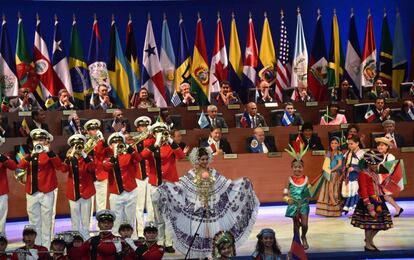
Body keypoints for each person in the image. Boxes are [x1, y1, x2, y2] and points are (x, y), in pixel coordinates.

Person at [153, 147, 259, 258]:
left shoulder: (213, 172)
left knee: (214, 234)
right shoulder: (191, 174)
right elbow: (181, 187)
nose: (204, 162)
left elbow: (227, 185)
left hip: (213, 210)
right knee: (197, 234)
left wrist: (242, 183)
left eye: (206, 159)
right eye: (202, 159)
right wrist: (166, 187)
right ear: (196, 160)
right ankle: (199, 257)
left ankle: (214, 255)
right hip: (197, 211)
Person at [140, 122, 187, 253]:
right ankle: (160, 241)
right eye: (158, 131)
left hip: (170, 184)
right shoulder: (150, 145)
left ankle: (169, 242)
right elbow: (142, 156)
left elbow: (181, 156)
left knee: (170, 215)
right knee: (158, 216)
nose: (161, 133)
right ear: (154, 133)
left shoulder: (171, 146)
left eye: (163, 131)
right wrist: (156, 143)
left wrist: (171, 140)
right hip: (155, 184)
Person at [16, 129, 62, 248]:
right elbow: (19, 168)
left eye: (41, 139)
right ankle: (35, 247)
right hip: (32, 192)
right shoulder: (29, 156)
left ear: (46, 141)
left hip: (47, 191)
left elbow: (60, 167)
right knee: (33, 221)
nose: (38, 142)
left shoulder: (50, 155)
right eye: (36, 139)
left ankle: (46, 248)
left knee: (47, 221)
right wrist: (31, 156)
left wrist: (50, 152)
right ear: (32, 142)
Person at [350, 150, 393, 251]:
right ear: (368, 164)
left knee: (381, 224)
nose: (376, 166)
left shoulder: (374, 173)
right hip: (369, 200)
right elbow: (363, 190)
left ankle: (369, 240)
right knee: (369, 225)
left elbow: (377, 186)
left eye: (377, 164)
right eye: (374, 164)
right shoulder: (363, 174)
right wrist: (368, 204)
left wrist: (385, 181)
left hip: (378, 199)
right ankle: (368, 244)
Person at [103, 132, 141, 234]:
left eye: (119, 142)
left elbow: (139, 159)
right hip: (116, 193)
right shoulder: (107, 158)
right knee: (116, 220)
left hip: (130, 191)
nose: (117, 144)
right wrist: (115, 154)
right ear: (110, 145)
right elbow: (107, 167)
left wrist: (130, 149)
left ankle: (132, 240)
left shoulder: (129, 155)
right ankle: (117, 242)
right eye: (114, 142)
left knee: (130, 220)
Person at [61, 134, 96, 240]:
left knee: (86, 220)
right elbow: (63, 169)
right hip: (73, 193)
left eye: (79, 145)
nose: (77, 148)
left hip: (86, 192)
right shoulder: (69, 158)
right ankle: (75, 239)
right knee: (75, 219)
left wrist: (84, 155)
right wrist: (69, 156)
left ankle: (86, 239)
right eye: (75, 146)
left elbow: (92, 168)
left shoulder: (88, 157)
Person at [283, 144, 312, 250]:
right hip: (294, 204)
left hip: (304, 204)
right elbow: (285, 192)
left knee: (304, 225)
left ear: (303, 168)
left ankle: (303, 236)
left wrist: (311, 192)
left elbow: (310, 192)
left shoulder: (306, 178)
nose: (297, 169)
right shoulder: (289, 179)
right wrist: (287, 199)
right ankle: (296, 242)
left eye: (299, 167)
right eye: (295, 167)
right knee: (295, 226)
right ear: (292, 168)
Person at [131, 116, 155, 239]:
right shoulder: (134, 142)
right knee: (139, 206)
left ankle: (150, 230)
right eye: (141, 126)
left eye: (146, 126)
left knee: (151, 205)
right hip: (138, 175)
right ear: (137, 128)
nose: (144, 128)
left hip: (150, 175)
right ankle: (140, 232)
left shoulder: (152, 140)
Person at [84, 119, 109, 213]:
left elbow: (109, 153)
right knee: (88, 206)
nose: (95, 131)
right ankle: (88, 226)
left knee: (101, 204)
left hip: (101, 175)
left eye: (96, 129)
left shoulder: (101, 142)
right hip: (88, 177)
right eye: (92, 129)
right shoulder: (84, 142)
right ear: (87, 131)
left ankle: (101, 226)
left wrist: (103, 140)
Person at [375, 137, 404, 217]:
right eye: (378, 145)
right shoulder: (377, 156)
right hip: (378, 178)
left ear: (387, 146)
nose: (379, 147)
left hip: (385, 179)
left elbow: (391, 169)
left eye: (382, 145)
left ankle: (395, 208)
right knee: (381, 196)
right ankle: (395, 208)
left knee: (385, 196)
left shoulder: (390, 156)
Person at [315, 137, 343, 217]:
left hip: (334, 174)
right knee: (327, 191)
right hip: (328, 173)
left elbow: (339, 164)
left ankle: (335, 207)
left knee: (332, 190)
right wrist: (326, 168)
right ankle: (330, 210)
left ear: (338, 144)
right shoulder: (328, 153)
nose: (333, 145)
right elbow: (326, 163)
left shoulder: (338, 153)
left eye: (335, 143)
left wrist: (331, 170)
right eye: (332, 143)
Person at [342, 135, 365, 215]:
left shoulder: (361, 153)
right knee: (351, 193)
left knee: (356, 193)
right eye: (348, 144)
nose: (350, 145)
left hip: (357, 176)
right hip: (350, 176)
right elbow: (344, 162)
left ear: (357, 143)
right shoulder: (348, 153)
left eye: (351, 144)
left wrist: (354, 168)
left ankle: (357, 212)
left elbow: (364, 166)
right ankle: (353, 211)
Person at [0, 137, 17, 234]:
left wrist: (2, 158)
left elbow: (13, 166)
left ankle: (1, 240)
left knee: (1, 217)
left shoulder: (2, 157)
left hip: (1, 192)